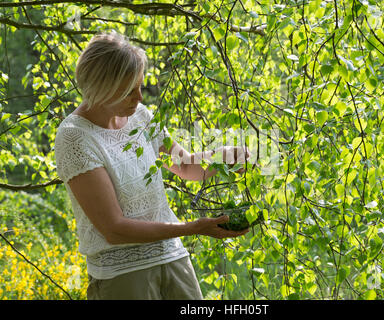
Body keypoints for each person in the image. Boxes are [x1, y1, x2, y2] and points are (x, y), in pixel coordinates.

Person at [54, 32, 250, 300]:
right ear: (101, 89)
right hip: (122, 275)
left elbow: (185, 166)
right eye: (128, 91)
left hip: (172, 257)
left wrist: (225, 156)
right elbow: (114, 229)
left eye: (139, 87)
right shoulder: (74, 137)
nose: (139, 98)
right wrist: (192, 228)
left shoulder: (140, 117)